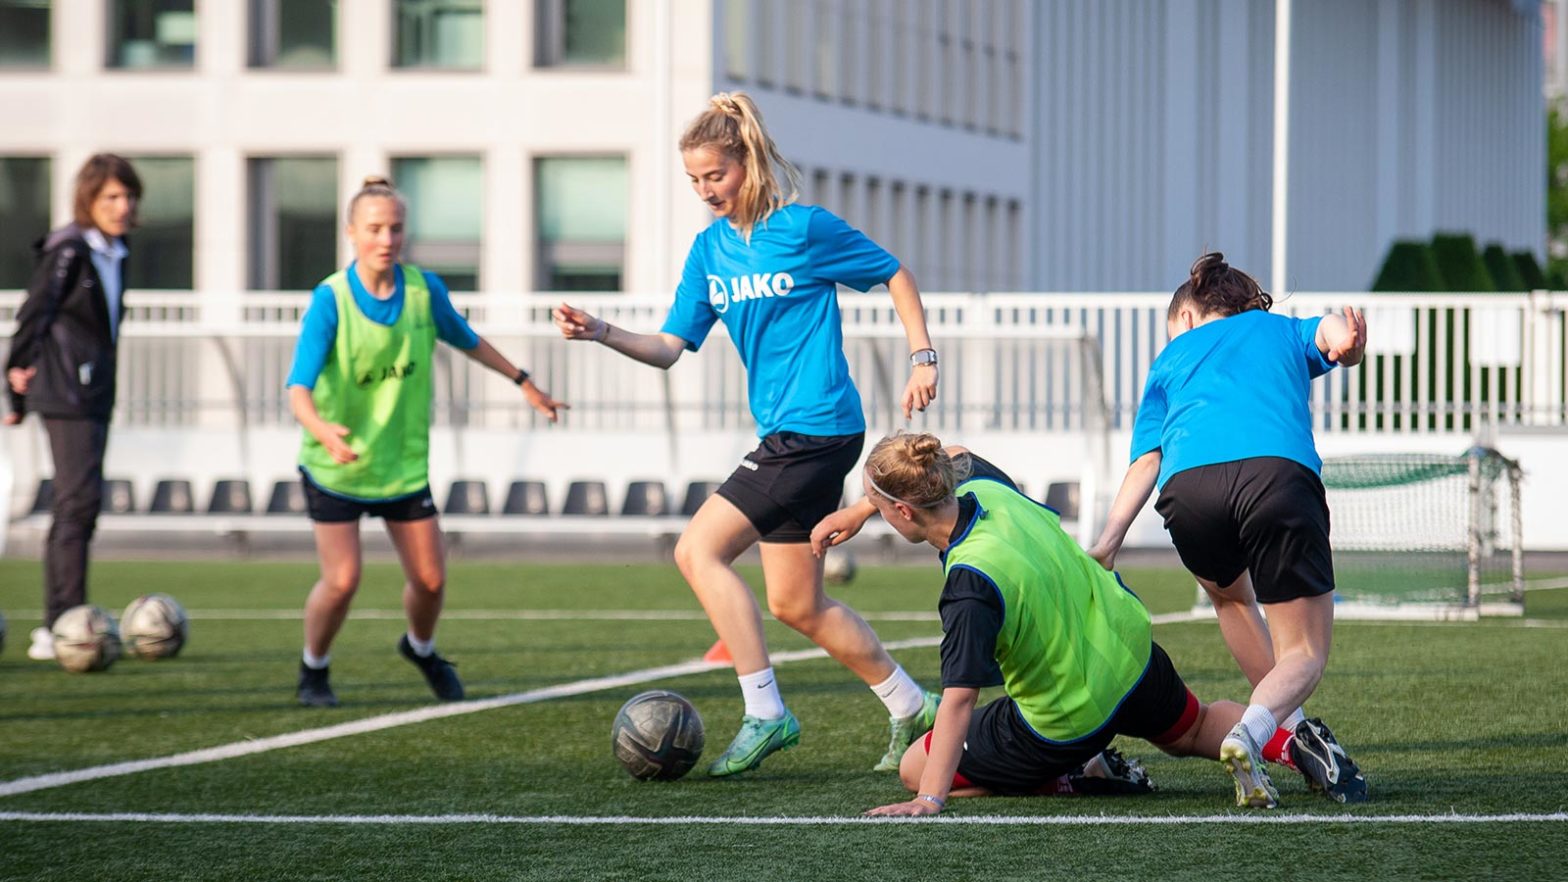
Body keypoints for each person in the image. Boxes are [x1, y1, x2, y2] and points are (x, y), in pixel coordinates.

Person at [552, 92, 941, 776]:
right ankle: (912, 706)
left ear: (748, 163)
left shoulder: (805, 229)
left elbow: (893, 273)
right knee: (796, 602)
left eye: (716, 177)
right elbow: (673, 346)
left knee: (696, 551)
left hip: (816, 429)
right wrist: (602, 332)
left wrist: (922, 357)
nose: (707, 192)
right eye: (695, 181)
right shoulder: (707, 252)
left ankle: (766, 712)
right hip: (792, 436)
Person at [809, 433, 1248, 816]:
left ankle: (1074, 773)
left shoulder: (969, 582)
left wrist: (928, 798)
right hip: (1129, 655)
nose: (874, 512)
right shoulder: (986, 486)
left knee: (913, 765)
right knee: (1193, 728)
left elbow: (959, 700)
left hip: (1066, 719)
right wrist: (862, 508)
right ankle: (1291, 741)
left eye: (879, 506)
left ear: (904, 512)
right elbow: (953, 451)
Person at [1087, 252, 1369, 807]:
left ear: (1188, 318)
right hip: (1275, 476)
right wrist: (1348, 347)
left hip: (1188, 490)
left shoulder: (1170, 359)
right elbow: (1332, 333)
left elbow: (1146, 460)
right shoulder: (1278, 329)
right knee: (1305, 652)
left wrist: (1107, 542)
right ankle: (1251, 732)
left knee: (1231, 600)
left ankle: (1295, 731)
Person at [285, 175, 565, 708]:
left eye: (395, 228)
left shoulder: (422, 289)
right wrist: (323, 430)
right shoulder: (332, 299)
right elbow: (298, 388)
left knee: (432, 581)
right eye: (374, 229)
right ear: (351, 232)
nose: (386, 239)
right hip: (336, 467)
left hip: (402, 466)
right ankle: (313, 669)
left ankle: (420, 648)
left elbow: (468, 339)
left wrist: (524, 382)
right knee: (342, 581)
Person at [5, 154, 142, 662]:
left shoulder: (117, 250)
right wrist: (14, 388)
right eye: (111, 197)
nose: (122, 206)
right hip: (65, 390)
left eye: (128, 196)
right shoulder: (69, 250)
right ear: (88, 200)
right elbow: (33, 314)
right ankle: (59, 623)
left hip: (93, 390)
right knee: (75, 501)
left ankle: (66, 614)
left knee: (83, 503)